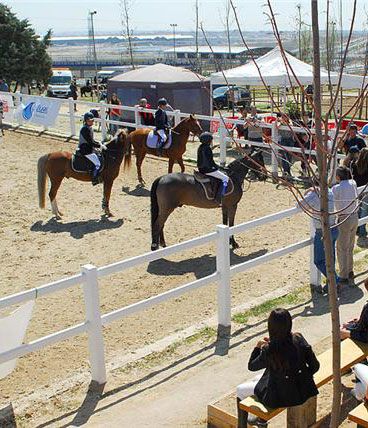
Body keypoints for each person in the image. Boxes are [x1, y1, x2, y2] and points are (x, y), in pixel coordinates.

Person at [236, 308, 319, 426]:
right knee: (259, 378)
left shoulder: (269, 349)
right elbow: (315, 366)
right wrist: (301, 376)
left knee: (240, 390)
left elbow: (251, 366)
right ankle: (261, 420)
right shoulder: (298, 338)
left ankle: (242, 425)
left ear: (271, 327)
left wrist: (257, 347)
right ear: (289, 323)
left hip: (277, 398)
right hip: (301, 390)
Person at [297, 184, 340, 294]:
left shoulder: (315, 194)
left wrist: (308, 191)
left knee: (319, 260)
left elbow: (299, 205)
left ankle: (335, 281)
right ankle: (332, 282)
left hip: (323, 231)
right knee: (331, 257)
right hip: (334, 228)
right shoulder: (329, 190)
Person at [332, 166, 359, 287]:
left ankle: (343, 275)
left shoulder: (336, 188)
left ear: (338, 176)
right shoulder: (353, 183)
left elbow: (329, 197)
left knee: (342, 248)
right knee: (350, 245)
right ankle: (350, 270)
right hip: (354, 217)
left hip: (344, 218)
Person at [197, 132, 229, 204]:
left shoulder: (200, 147)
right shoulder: (207, 148)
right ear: (208, 140)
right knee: (225, 178)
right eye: (211, 139)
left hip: (201, 168)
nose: (211, 141)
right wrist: (218, 167)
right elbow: (210, 162)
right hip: (208, 169)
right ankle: (219, 198)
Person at [77, 112, 107, 186]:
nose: (92, 122)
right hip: (85, 150)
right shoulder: (85, 129)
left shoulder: (89, 128)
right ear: (86, 121)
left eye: (92, 120)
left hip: (89, 148)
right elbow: (90, 142)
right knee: (98, 164)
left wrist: (99, 143)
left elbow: (92, 140)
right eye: (90, 120)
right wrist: (99, 146)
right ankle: (94, 179)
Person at [352, 148, 368, 242]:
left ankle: (357, 229)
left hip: (356, 190)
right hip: (366, 190)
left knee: (357, 210)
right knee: (364, 211)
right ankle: (362, 230)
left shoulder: (354, 164)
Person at [277, 113, 295, 178]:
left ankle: (288, 170)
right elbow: (277, 126)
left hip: (290, 140)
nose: (284, 118)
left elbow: (291, 126)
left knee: (289, 156)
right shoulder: (280, 122)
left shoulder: (290, 122)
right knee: (284, 156)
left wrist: (283, 123)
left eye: (286, 117)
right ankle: (285, 171)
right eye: (283, 116)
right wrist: (281, 122)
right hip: (283, 139)